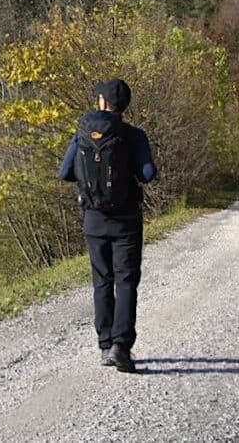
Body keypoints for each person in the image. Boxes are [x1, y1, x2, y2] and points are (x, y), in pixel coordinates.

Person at [59, 78, 156, 373]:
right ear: (123, 106)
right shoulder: (134, 135)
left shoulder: (82, 133)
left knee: (102, 280)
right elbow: (148, 174)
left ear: (103, 102)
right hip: (126, 222)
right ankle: (120, 347)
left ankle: (104, 345)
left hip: (93, 219)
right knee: (125, 281)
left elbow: (65, 172)